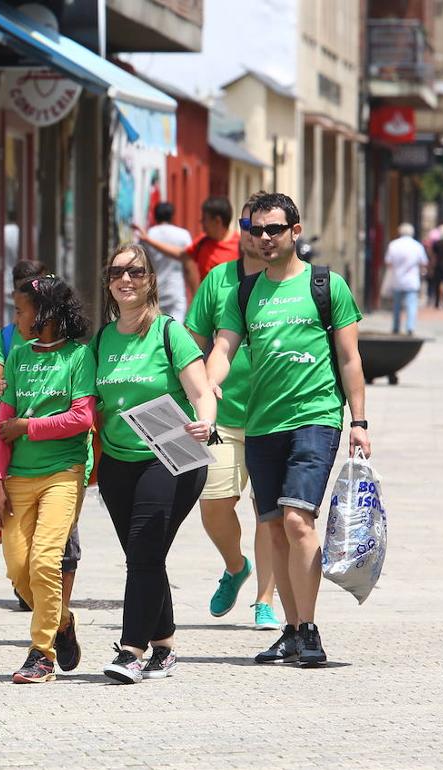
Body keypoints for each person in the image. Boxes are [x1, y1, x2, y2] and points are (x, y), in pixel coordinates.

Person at [207, 193, 370, 668]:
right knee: (273, 525)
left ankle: (311, 628)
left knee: (299, 520)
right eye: (256, 230)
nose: (264, 238)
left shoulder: (326, 285)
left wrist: (358, 421)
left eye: (274, 229)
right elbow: (223, 347)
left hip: (315, 417)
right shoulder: (244, 292)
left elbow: (350, 358)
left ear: (295, 232)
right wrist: (209, 389)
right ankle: (291, 630)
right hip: (261, 423)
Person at [95, 244, 216, 684]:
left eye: (135, 272)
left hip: (170, 455)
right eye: (117, 272)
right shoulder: (101, 339)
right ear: (108, 282)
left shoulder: (169, 332)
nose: (126, 279)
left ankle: (131, 650)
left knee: (144, 552)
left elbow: (202, 391)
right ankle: (164, 645)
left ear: (150, 280)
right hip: (117, 463)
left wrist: (205, 423)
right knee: (144, 555)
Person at [0, 276, 95, 683]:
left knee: (45, 561)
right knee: (18, 570)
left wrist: (28, 427)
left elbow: (82, 418)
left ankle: (41, 653)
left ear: (46, 313)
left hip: (63, 475)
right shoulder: (17, 355)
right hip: (16, 477)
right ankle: (62, 621)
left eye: (20, 310)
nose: (15, 318)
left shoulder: (80, 358)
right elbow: (2, 422)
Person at [185, 195, 280, 631]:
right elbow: (190, 343)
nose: (256, 234)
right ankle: (235, 565)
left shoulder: (289, 283)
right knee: (213, 504)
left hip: (275, 415)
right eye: (248, 224)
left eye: (265, 227)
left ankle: (265, 599)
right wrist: (197, 388)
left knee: (269, 511)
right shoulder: (218, 281)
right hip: (221, 414)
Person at [136, 196, 237, 298]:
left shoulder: (240, 246)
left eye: (204, 219)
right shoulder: (203, 242)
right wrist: (149, 240)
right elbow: (181, 254)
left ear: (217, 221)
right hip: (208, 306)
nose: (201, 222)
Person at [0, 259, 46, 400]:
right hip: (11, 418)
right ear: (15, 296)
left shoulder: (57, 335)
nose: (33, 299)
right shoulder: (3, 338)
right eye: (25, 292)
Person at [144, 202, 194, 321]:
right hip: (175, 289)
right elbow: (189, 265)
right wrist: (194, 291)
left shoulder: (148, 235)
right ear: (172, 216)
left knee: (155, 330)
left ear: (155, 216)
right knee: (175, 329)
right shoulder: (183, 235)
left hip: (154, 290)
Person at [385, 224, 428, 335]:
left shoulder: (393, 245)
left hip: (397, 279)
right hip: (411, 280)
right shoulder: (417, 246)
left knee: (397, 306)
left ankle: (396, 327)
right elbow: (424, 262)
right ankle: (410, 327)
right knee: (411, 305)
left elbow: (388, 262)